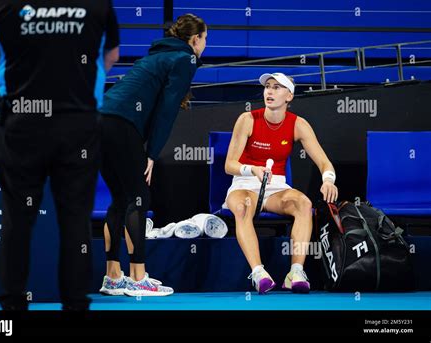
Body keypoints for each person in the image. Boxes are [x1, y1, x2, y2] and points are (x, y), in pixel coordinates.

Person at [0, 0, 120, 310]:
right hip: (78, 124)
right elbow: (111, 55)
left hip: (21, 123)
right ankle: (74, 306)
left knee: (17, 220)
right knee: (75, 221)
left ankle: (12, 308)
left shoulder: (2, 4)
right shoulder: (97, 5)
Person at [98, 14, 207, 297]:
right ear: (195, 39)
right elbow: (167, 110)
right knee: (138, 197)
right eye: (205, 39)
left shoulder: (158, 55)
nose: (205, 45)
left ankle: (113, 276)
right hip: (121, 124)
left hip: (98, 121)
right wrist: (152, 153)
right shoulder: (186, 59)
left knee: (121, 198)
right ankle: (138, 276)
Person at [223, 73, 338, 294]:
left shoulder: (299, 125)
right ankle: (258, 273)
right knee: (243, 205)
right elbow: (229, 165)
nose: (270, 91)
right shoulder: (247, 120)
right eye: (267, 87)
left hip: (276, 187)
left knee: (303, 204)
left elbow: (325, 163)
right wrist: (252, 169)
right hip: (245, 183)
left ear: (289, 96)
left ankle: (295, 272)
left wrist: (328, 180)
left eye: (277, 87)